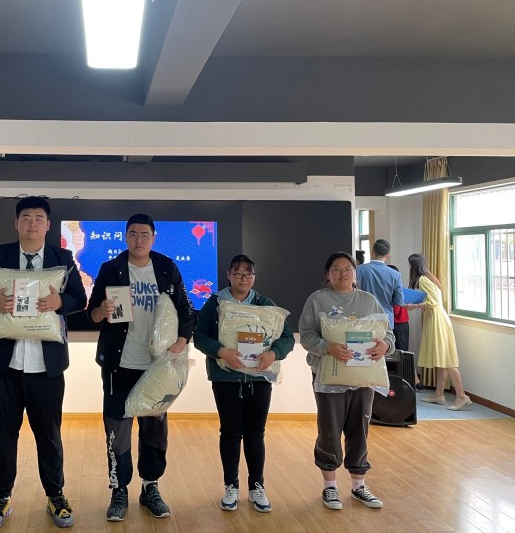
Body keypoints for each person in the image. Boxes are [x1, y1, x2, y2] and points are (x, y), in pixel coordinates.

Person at [0, 196, 87, 530]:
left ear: (48, 225)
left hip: (45, 366)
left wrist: (60, 301)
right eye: (26, 217)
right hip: (4, 367)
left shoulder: (62, 258)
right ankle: (1, 497)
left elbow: (80, 299)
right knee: (3, 435)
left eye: (38, 218)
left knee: (49, 436)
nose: (32, 224)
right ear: (16, 223)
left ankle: (56, 495)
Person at [87, 214, 195, 521]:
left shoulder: (166, 267)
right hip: (119, 364)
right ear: (125, 236)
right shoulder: (110, 269)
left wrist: (182, 341)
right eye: (133, 234)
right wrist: (100, 311)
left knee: (154, 430)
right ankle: (119, 490)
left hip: (157, 366)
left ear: (153, 238)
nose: (139, 240)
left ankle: (151, 488)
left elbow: (186, 310)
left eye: (144, 234)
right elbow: (90, 314)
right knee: (117, 430)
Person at [192, 254, 295, 513]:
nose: (243, 278)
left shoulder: (265, 304)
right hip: (226, 378)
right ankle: (231, 486)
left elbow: (287, 337)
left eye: (248, 274)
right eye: (237, 273)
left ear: (254, 277)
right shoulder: (215, 303)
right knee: (230, 433)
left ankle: (257, 486)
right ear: (229, 275)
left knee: (255, 434)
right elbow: (200, 336)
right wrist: (220, 351)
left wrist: (274, 354)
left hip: (259, 378)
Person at [299, 252, 395, 511]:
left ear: (355, 273)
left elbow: (387, 333)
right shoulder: (317, 300)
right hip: (328, 376)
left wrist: (386, 346)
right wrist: (327, 347)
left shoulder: (368, 300)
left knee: (359, 429)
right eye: (336, 269)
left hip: (363, 378)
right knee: (329, 429)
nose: (343, 273)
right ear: (327, 274)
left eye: (348, 269)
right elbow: (306, 335)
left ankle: (358, 485)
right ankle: (330, 486)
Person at [408, 253, 472, 411]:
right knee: (441, 359)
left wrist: (415, 306)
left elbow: (433, 302)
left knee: (447, 360)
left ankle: (461, 395)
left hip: (437, 320)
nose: (408, 267)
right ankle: (439, 394)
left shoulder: (423, 280)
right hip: (437, 319)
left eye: (409, 264)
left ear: (414, 266)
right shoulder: (430, 278)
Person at [355, 239, 404, 331]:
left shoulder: (358, 270)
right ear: (388, 256)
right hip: (385, 320)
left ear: (372, 252)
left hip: (363, 318)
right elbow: (399, 302)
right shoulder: (395, 275)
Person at [387, 264, 410, 352]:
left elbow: (396, 310)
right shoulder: (399, 286)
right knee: (402, 350)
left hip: (398, 324)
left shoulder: (394, 288)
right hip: (402, 323)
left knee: (399, 351)